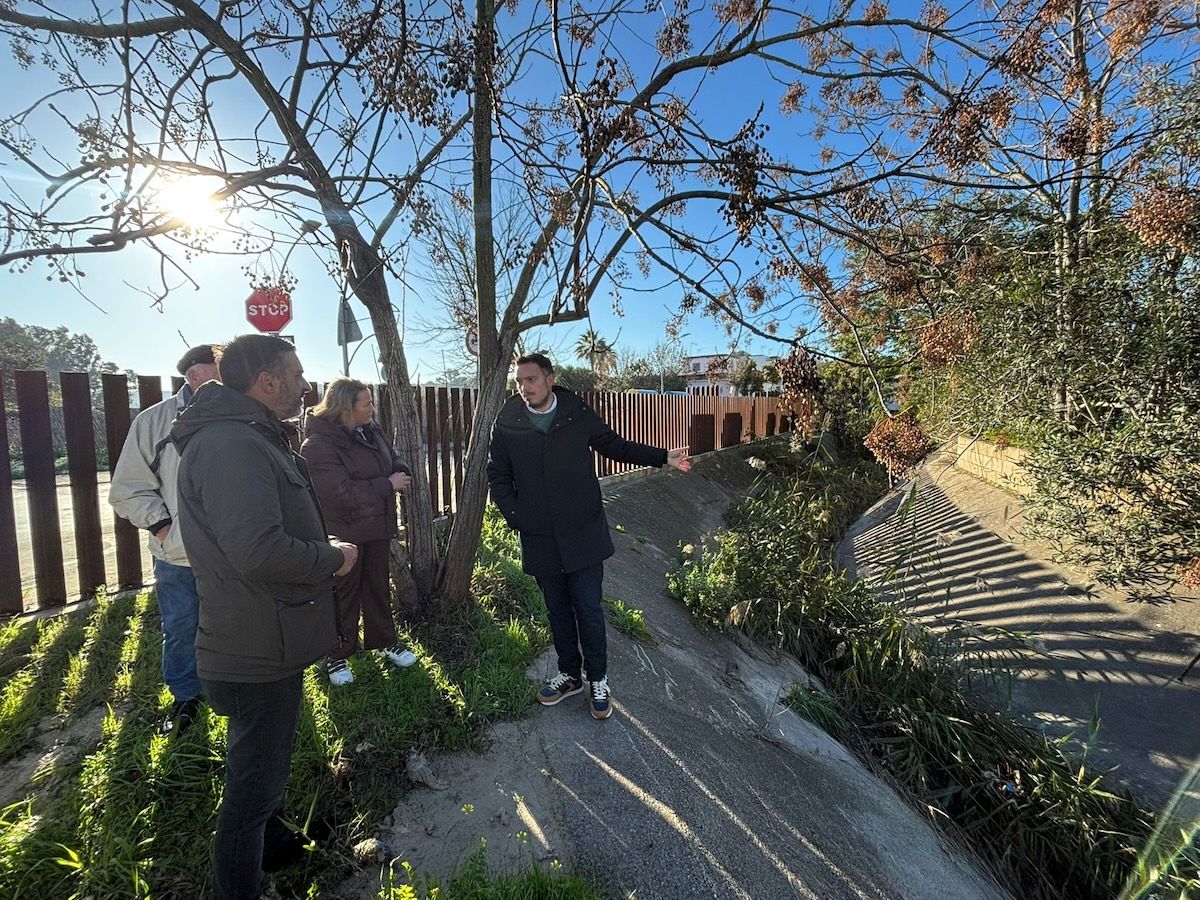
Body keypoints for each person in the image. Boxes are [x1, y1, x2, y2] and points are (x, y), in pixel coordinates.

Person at [170, 334, 357, 900]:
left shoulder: (249, 436)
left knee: (261, 773)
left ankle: (274, 850)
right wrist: (332, 558)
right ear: (267, 381)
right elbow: (258, 550)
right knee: (250, 795)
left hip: (265, 636)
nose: (306, 384)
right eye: (296, 374)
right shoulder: (232, 444)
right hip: (254, 649)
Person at [487, 353, 691, 720]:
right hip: (540, 536)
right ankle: (569, 676)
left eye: (531, 379)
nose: (524, 387)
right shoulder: (507, 423)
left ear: (549, 378)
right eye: (519, 381)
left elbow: (614, 445)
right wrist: (518, 516)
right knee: (558, 611)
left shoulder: (575, 413)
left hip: (583, 531)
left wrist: (662, 456)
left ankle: (598, 679)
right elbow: (498, 475)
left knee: (589, 610)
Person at [109, 344, 219, 736]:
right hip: (179, 555)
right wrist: (164, 529)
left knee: (235, 623)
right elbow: (128, 489)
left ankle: (234, 689)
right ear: (194, 375)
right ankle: (187, 696)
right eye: (220, 369)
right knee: (182, 625)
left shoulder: (241, 415)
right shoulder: (155, 422)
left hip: (235, 553)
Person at [300, 376, 417, 685]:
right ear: (345, 409)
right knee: (344, 593)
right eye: (367, 404)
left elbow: (391, 456)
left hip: (376, 525)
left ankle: (385, 641)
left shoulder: (370, 430)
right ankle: (337, 654)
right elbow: (338, 493)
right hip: (344, 532)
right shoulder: (318, 445)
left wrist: (400, 469)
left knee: (378, 587)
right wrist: (386, 485)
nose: (372, 408)